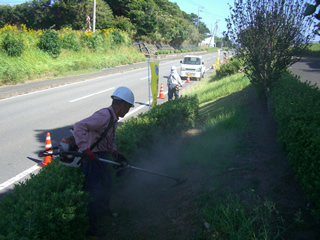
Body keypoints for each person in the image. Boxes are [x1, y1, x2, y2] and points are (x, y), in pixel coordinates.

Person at [73, 86, 134, 237]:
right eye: (128, 107)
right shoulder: (104, 116)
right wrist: (84, 149)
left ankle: (104, 210)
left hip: (102, 157)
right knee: (93, 193)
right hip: (92, 160)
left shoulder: (113, 119)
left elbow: (107, 139)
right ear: (123, 105)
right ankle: (91, 228)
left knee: (106, 185)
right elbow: (79, 126)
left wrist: (115, 152)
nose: (127, 111)